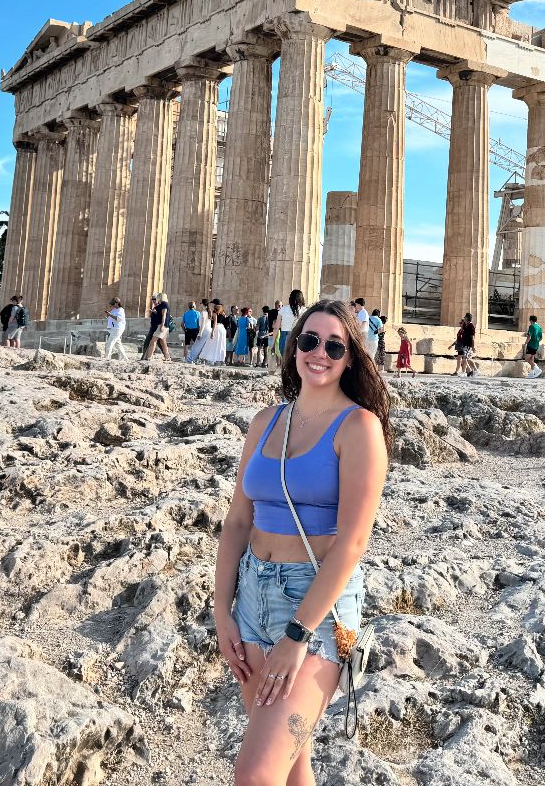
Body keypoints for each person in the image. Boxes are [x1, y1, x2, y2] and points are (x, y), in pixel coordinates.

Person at [213, 299, 389, 784]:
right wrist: (221, 609)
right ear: (294, 348)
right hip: (252, 598)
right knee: (291, 768)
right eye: (310, 341)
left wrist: (297, 634)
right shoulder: (264, 421)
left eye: (336, 345)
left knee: (255, 777)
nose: (321, 353)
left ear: (351, 356)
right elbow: (236, 523)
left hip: (314, 608)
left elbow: (353, 543)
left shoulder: (359, 428)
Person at [143, 293, 172, 362]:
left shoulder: (164, 304)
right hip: (164, 326)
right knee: (163, 343)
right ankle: (167, 357)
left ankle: (149, 357)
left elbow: (164, 315)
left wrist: (162, 325)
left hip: (162, 326)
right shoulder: (162, 304)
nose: (154, 300)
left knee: (153, 341)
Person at [521, 315, 544, 379]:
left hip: (530, 345)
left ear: (531, 320)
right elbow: (541, 338)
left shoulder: (531, 326)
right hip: (536, 345)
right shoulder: (539, 327)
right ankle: (532, 373)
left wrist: (525, 343)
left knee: (527, 359)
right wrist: (536, 341)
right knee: (532, 359)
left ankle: (537, 369)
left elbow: (529, 336)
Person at [457, 313, 478, 377]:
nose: (464, 318)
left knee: (465, 358)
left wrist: (473, 346)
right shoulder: (466, 325)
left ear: (467, 318)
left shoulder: (471, 326)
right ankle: (475, 370)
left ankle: (464, 372)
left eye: (465, 317)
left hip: (468, 345)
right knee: (467, 359)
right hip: (465, 344)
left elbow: (472, 337)